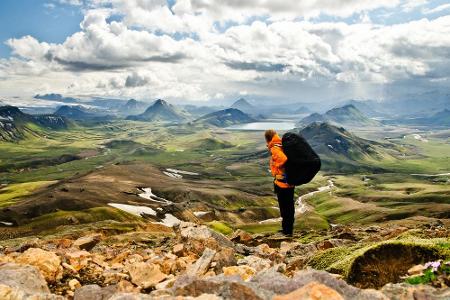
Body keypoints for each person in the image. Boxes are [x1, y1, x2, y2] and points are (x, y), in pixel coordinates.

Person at [265, 129, 295, 236]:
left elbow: (283, 159)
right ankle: (287, 230)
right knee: (289, 207)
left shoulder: (275, 148)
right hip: (288, 182)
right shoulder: (281, 144)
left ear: (268, 139)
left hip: (283, 184)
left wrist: (276, 165)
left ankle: (287, 232)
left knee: (285, 208)